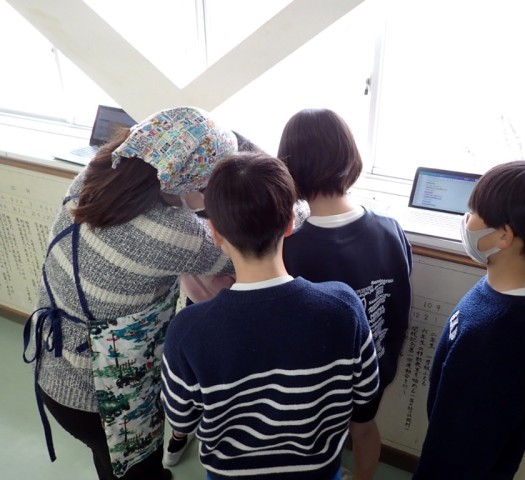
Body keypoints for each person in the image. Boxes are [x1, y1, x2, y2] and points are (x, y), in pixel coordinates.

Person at [22, 106, 238, 480]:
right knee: (138, 472)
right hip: (101, 401)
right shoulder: (173, 233)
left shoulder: (93, 178)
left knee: (111, 465)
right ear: (189, 182)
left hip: (52, 367)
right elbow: (244, 249)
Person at [161, 152, 380, 480]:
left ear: (215, 234)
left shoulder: (188, 330)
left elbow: (182, 419)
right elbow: (365, 412)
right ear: (291, 222)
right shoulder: (343, 309)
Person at [412, 160, 525, 479]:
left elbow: (459, 453)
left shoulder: (491, 339)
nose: (466, 219)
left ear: (504, 235)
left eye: (474, 211)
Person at [277, 108, 413, 478]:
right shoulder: (390, 228)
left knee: (316, 440)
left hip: (316, 379)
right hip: (376, 363)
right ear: (349, 157)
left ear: (290, 166)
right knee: (365, 428)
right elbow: (400, 299)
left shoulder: (290, 247)